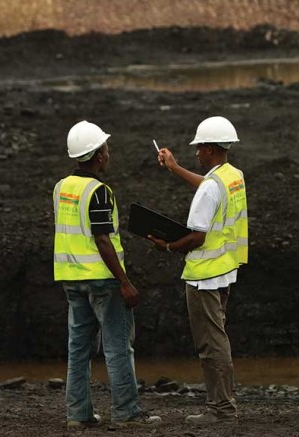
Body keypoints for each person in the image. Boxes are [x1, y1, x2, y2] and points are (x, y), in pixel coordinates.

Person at [53, 120, 161, 430]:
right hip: (103, 280)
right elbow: (102, 239)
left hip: (71, 278)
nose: (108, 153)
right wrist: (125, 282)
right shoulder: (99, 192)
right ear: (99, 155)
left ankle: (78, 413)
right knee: (117, 347)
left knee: (78, 348)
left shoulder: (61, 187)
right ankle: (126, 412)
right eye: (106, 148)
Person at [148, 116, 248, 425]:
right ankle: (224, 404)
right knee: (217, 338)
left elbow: (197, 236)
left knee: (211, 344)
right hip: (225, 270)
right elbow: (209, 187)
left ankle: (221, 409)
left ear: (209, 149)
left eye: (198, 148)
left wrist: (167, 246)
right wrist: (175, 167)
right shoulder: (233, 176)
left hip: (204, 275)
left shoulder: (210, 188)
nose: (196, 153)